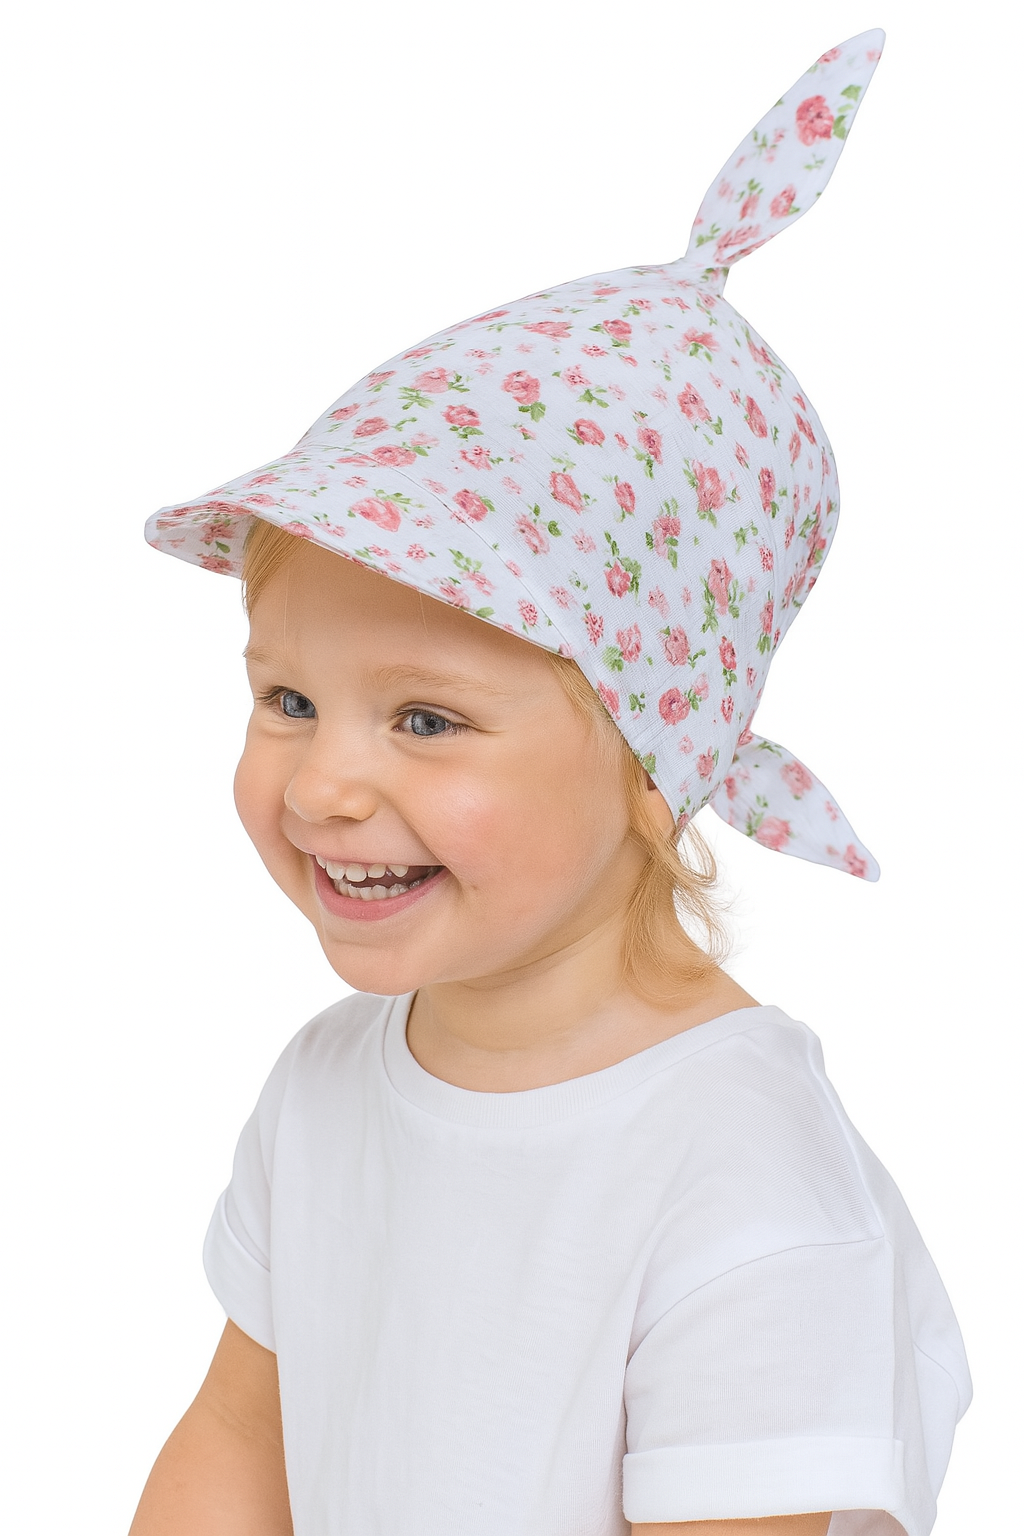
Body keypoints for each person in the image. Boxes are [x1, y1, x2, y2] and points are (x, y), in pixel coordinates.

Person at [131, 29, 971, 1536]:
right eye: (289, 698)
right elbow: (241, 1444)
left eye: (427, 719)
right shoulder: (327, 1088)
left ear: (659, 763)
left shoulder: (741, 1184)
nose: (325, 783)